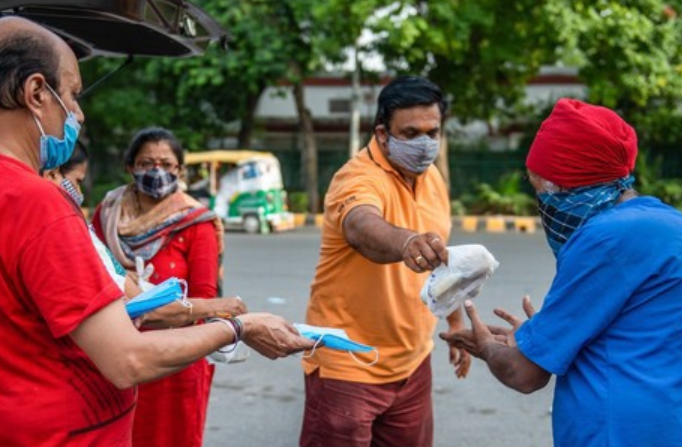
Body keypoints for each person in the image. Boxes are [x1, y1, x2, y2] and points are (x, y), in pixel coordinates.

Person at [0, 16, 314, 447]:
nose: (79, 112)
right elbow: (126, 359)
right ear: (36, 93)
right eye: (72, 94)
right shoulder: (37, 202)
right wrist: (241, 327)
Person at [441, 98, 682, 447]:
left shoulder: (604, 240)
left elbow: (524, 374)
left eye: (545, 193)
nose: (546, 209)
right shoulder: (668, 223)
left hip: (618, 431)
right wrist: (537, 337)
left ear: (570, 188)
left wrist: (486, 347)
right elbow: (629, 328)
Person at [300, 76, 471, 447]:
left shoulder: (432, 178)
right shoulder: (357, 177)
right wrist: (407, 241)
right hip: (348, 366)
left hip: (412, 363)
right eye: (410, 133)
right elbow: (362, 227)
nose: (425, 145)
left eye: (433, 132)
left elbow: (444, 259)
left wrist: (456, 320)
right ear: (382, 134)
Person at [89, 127, 238, 447]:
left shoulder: (196, 223)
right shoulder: (108, 213)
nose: (157, 171)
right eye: (146, 162)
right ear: (129, 167)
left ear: (180, 171)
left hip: (174, 362)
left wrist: (141, 304)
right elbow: (91, 277)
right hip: (111, 355)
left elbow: (205, 298)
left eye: (167, 164)